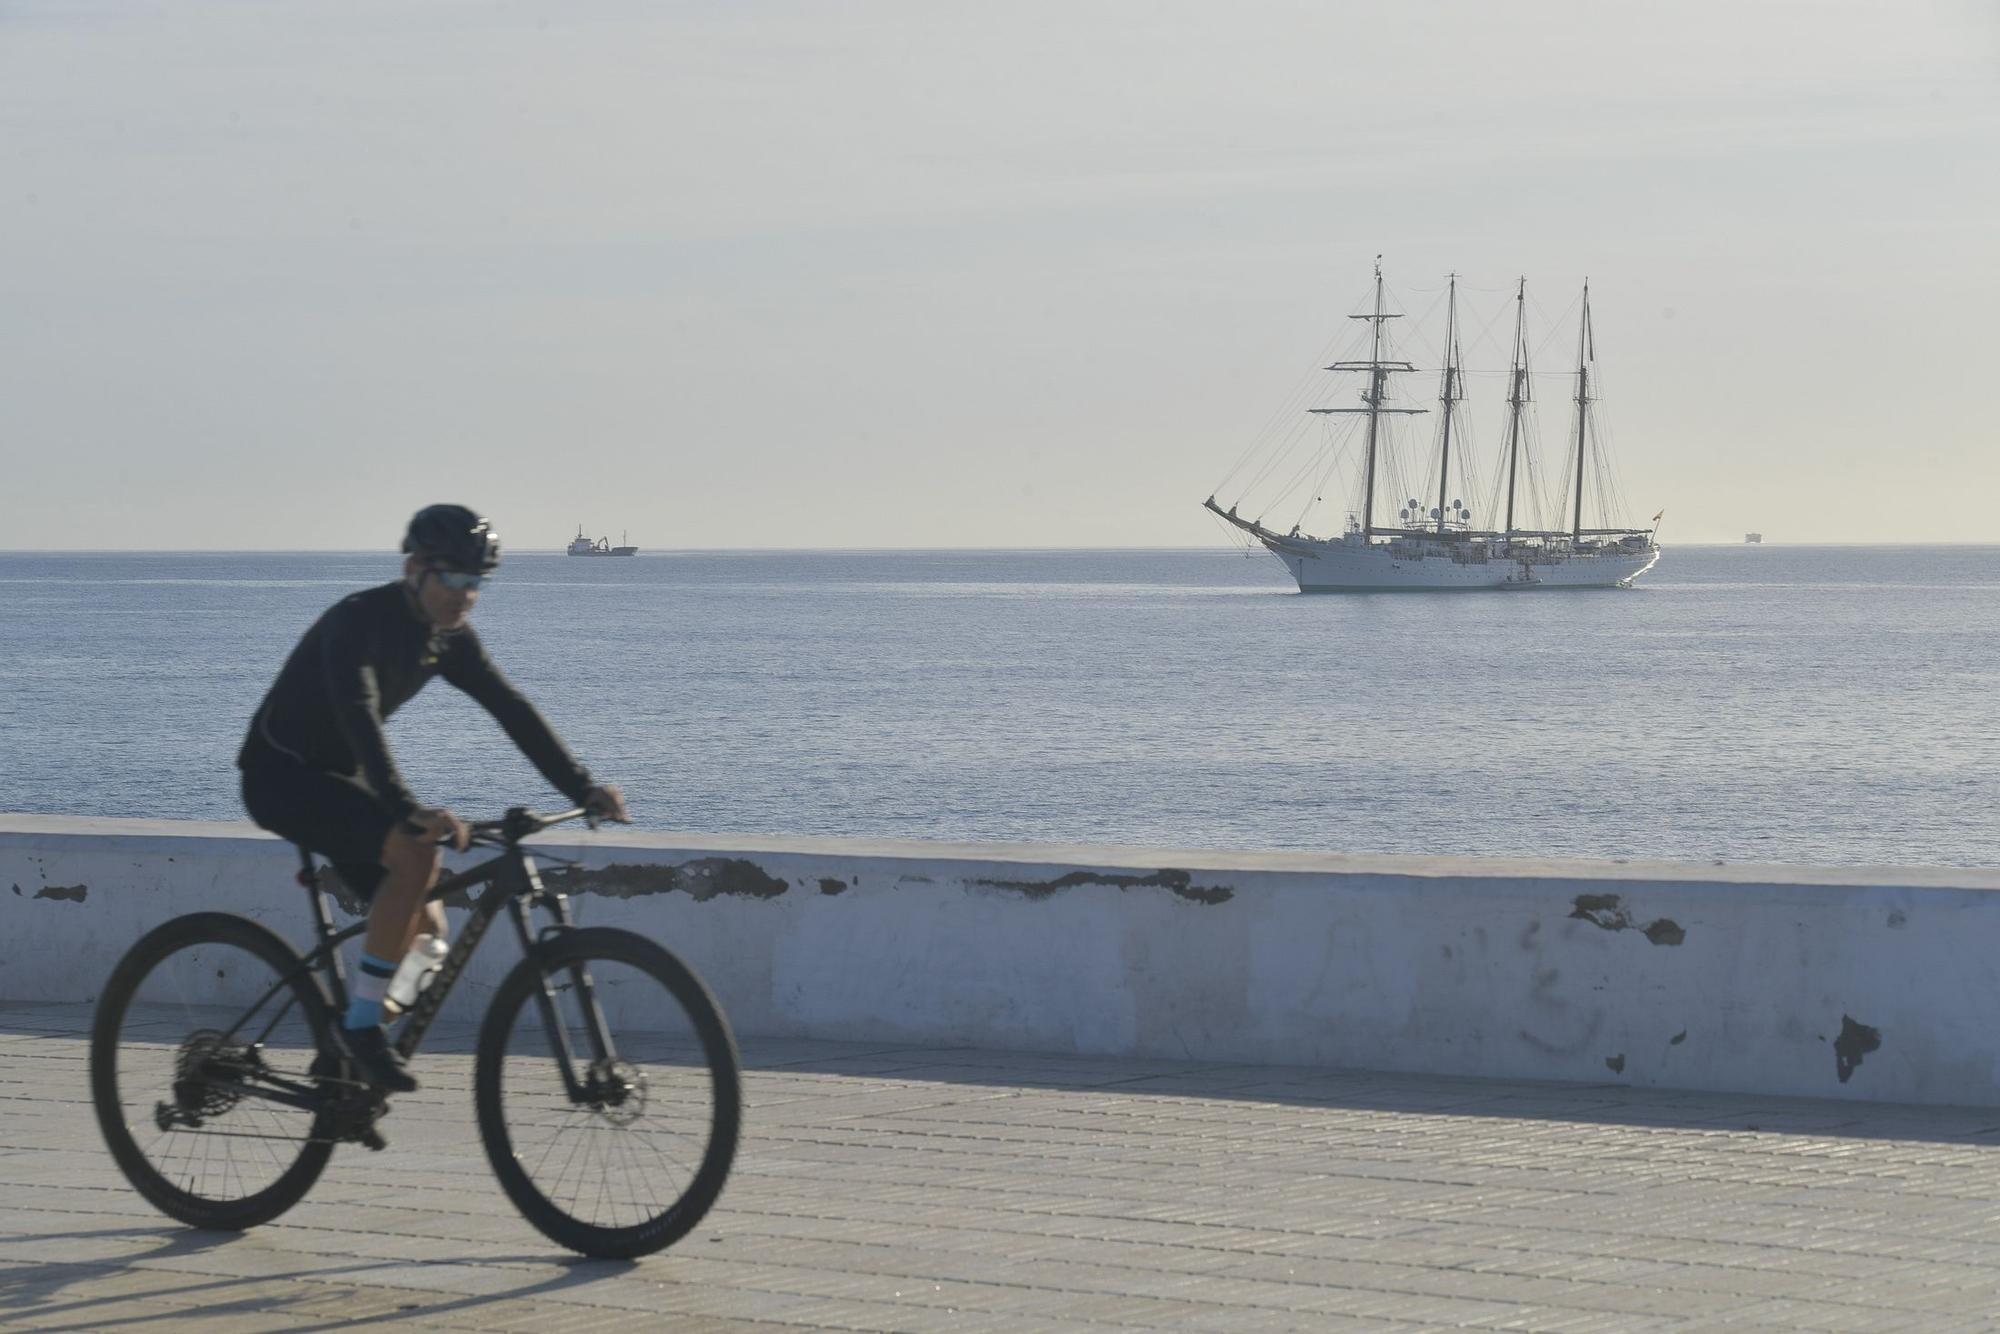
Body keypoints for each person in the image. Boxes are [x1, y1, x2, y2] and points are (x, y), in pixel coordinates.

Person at [238, 504, 627, 1092]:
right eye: (454, 578)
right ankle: (363, 1030)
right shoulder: (358, 621)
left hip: (343, 783)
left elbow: (511, 709)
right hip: (281, 777)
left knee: (428, 940)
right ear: (414, 569)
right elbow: (359, 712)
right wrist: (405, 807)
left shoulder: (449, 640)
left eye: (477, 582)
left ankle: (345, 1049)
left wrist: (582, 787)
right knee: (417, 852)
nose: (465, 595)